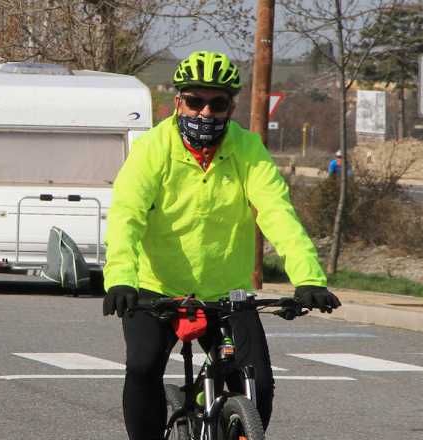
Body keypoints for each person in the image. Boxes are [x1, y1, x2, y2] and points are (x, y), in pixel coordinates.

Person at [102, 50, 342, 440]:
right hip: (154, 289)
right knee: (143, 367)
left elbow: (277, 214)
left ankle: (229, 420)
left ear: (230, 106)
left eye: (217, 103)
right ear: (179, 102)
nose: (205, 112)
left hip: (226, 292)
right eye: (195, 102)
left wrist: (309, 278)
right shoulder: (152, 149)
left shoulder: (248, 150)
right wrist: (121, 280)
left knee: (258, 384)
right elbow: (127, 216)